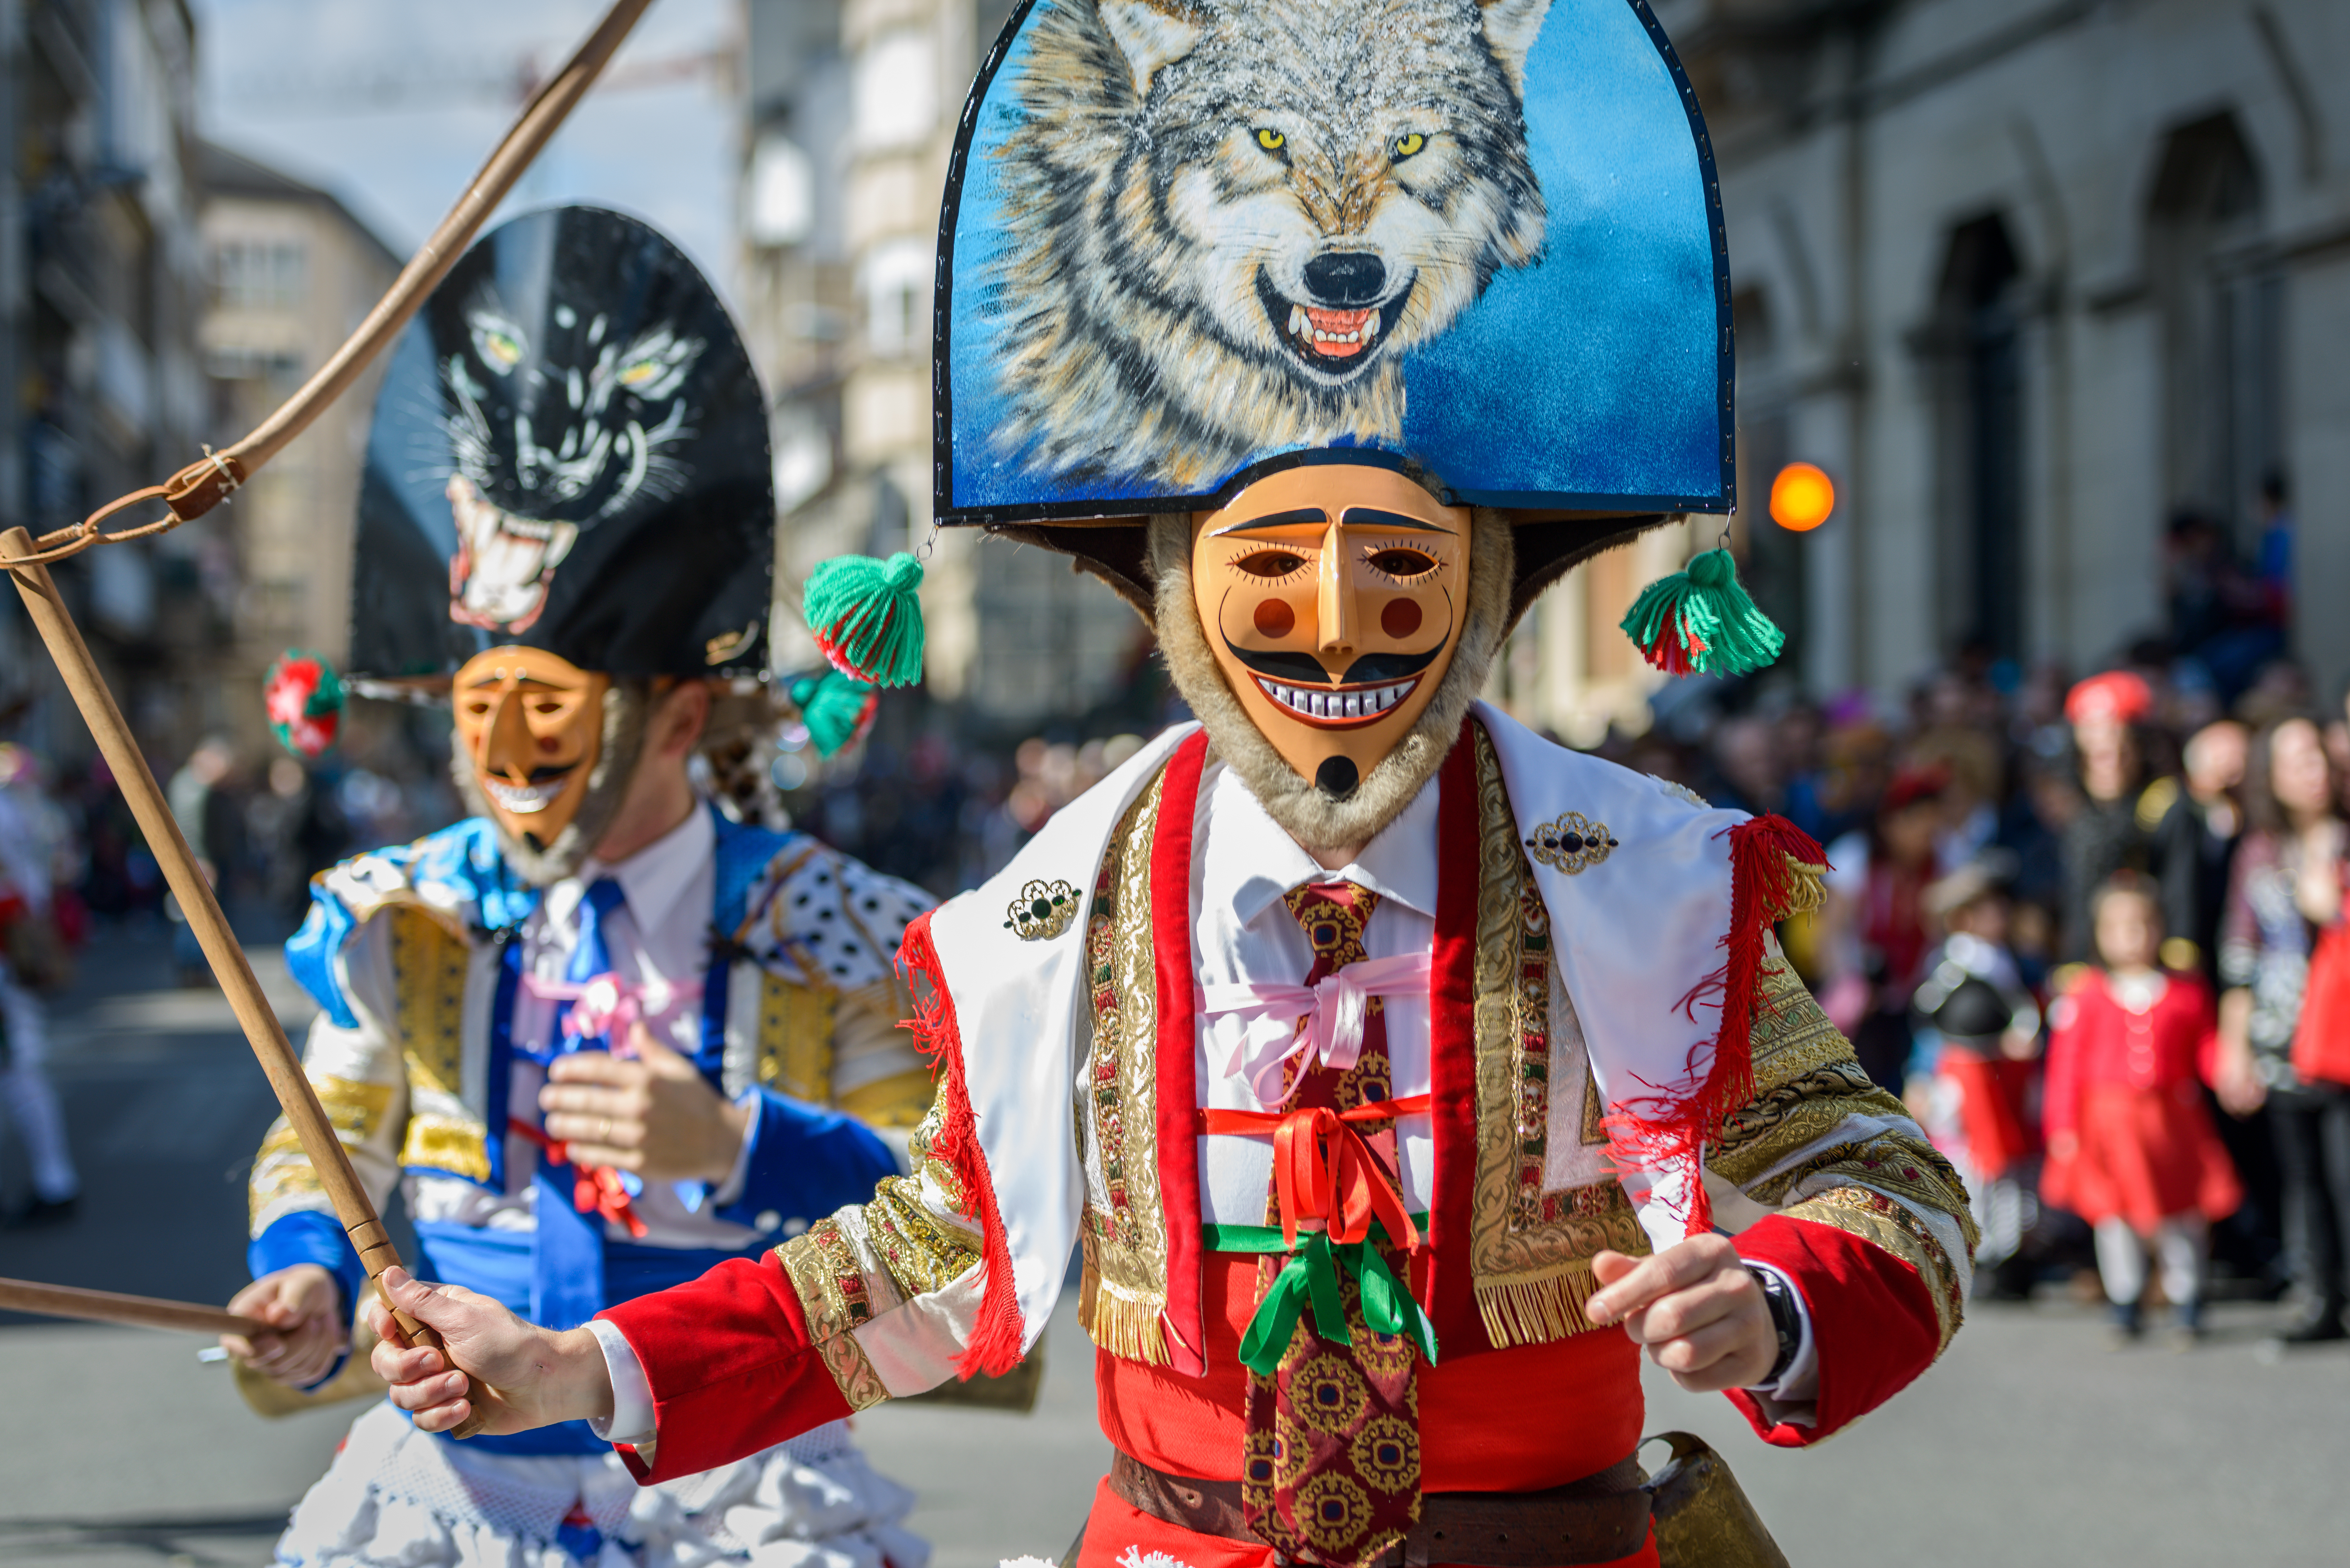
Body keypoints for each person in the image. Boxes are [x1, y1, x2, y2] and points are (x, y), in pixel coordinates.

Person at [359, 12, 1976, 1567]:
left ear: (1485, 587)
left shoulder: (1638, 875)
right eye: (1272, 561)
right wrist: (586, 1367)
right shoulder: (1053, 914)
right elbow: (928, 1261)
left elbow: (1888, 1176)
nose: (1338, 619)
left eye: (1398, 562)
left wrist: (1775, 1303)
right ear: (1171, 596)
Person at [220, 207, 936, 1568]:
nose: (498, 759)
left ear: (676, 715)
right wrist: (312, 1262)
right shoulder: (409, 911)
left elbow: (944, 1205)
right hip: (457, 1474)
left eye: (543, 712)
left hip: (734, 1463)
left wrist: (741, 1142)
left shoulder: (826, 926)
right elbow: (336, 1125)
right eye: (474, 710)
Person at [2041, 875, 2240, 1345]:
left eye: (2142, 925)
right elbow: (2065, 1068)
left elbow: (2207, 1048)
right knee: (2115, 1217)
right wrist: (2063, 1127)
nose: (2132, 937)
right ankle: (2126, 1300)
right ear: (2101, 934)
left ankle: (2187, 1298)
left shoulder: (2187, 992)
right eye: (2119, 927)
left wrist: (2229, 1076)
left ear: (2160, 929)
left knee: (2183, 1214)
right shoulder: (2087, 994)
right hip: (2108, 1126)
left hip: (2172, 1123)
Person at [2215, 715, 2350, 1344]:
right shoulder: (2259, 849)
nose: (2313, 769)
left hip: (2341, 1033)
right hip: (2280, 1033)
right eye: (2295, 759)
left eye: (2317, 754)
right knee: (2302, 1177)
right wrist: (2234, 1044)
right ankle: (2318, 1295)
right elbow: (2238, 953)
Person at [1910, 859, 2042, 1292]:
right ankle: (1979, 1252)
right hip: (1967, 1078)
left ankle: (2013, 1249)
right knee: (1974, 1164)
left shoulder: (2009, 959)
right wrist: (1921, 1077)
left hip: (2008, 1077)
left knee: (2011, 1162)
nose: (2000, 917)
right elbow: (1930, 1025)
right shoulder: (1949, 967)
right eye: (1989, 908)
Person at [1819, 765, 1950, 1092]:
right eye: (1918, 820)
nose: (1928, 830)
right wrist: (1846, 983)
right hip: (1861, 1001)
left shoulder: (1944, 862)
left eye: (1933, 819)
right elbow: (1829, 932)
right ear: (1890, 822)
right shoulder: (1855, 858)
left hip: (1918, 998)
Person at [0, 752, 80, 1227]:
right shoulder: (27, 808)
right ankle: (55, 1180)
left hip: (10, 961)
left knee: (22, 1070)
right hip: (18, 954)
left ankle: (56, 1181)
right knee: (22, 1070)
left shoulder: (15, 810)